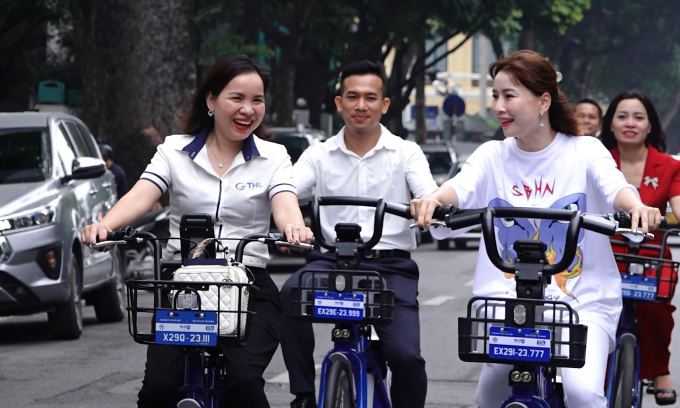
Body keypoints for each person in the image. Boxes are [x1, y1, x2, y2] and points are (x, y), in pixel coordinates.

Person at [411, 50, 662, 408]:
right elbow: (460, 187)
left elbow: (615, 188)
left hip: (582, 304)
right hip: (505, 303)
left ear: (544, 101)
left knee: (583, 393)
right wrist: (433, 200)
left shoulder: (585, 150)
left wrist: (636, 208)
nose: (498, 106)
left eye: (509, 96)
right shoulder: (491, 154)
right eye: (495, 95)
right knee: (488, 396)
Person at [81, 54, 312, 408]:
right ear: (211, 100)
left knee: (244, 383)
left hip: (249, 289)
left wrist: (295, 229)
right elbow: (142, 194)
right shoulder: (173, 150)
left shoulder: (274, 156)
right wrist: (105, 226)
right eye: (237, 98)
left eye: (257, 100)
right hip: (181, 287)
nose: (247, 109)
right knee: (158, 391)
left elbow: (285, 205)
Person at [279, 60, 438, 408]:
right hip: (329, 262)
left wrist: (427, 205)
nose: (361, 105)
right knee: (290, 294)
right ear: (339, 103)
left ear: (385, 105)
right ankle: (303, 394)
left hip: (390, 268)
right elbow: (285, 190)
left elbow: (428, 192)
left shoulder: (406, 152)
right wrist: (294, 223)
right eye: (352, 97)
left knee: (407, 357)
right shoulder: (318, 154)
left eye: (370, 97)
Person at [600, 89, 679, 406]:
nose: (630, 123)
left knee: (657, 309)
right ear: (611, 124)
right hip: (603, 254)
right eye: (622, 116)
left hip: (653, 257)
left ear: (650, 126)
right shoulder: (598, 159)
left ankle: (660, 370)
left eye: (638, 117)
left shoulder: (669, 166)